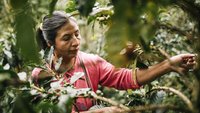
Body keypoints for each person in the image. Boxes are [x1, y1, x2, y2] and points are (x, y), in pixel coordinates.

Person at [32, 11, 196, 113]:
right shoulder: (41, 74)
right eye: (67, 38)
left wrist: (168, 65)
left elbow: (127, 78)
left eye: (77, 34)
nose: (76, 42)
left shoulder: (91, 62)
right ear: (50, 43)